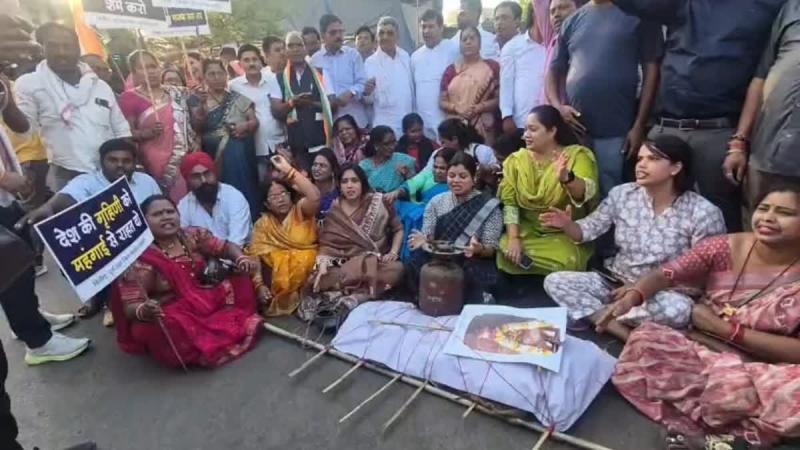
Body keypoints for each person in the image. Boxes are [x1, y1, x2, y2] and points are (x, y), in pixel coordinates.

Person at [609, 185, 800, 448]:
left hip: (771, 367)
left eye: (785, 213)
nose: (768, 218)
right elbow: (667, 273)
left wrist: (727, 330)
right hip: (706, 351)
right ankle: (734, 428)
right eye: (763, 208)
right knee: (647, 340)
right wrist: (633, 296)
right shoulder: (725, 247)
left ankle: (733, 439)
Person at [611, 0, 784, 232]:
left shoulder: (770, 6)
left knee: (722, 220)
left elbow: (767, 71)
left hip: (719, 133)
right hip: (667, 128)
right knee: (654, 215)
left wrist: (740, 141)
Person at [542, 135, 726, 334]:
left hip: (663, 293)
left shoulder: (703, 213)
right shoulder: (622, 194)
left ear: (676, 167)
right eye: (640, 159)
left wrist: (639, 288)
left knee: (678, 311)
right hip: (615, 283)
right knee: (555, 281)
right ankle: (620, 328)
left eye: (653, 159)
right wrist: (567, 225)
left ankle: (598, 317)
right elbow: (586, 230)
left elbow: (703, 275)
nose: (641, 165)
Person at [111, 195, 262, 368]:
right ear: (144, 221)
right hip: (170, 309)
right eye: (158, 214)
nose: (166, 217)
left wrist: (241, 259)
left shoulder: (192, 235)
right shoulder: (139, 257)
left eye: (170, 212)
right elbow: (131, 305)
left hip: (203, 294)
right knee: (157, 328)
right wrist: (145, 310)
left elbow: (225, 247)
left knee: (241, 279)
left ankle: (230, 323)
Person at [20, 137, 162, 320]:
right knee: (73, 262)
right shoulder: (86, 182)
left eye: (126, 161)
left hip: (142, 245)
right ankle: (101, 300)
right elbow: (65, 197)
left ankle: (125, 303)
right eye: (113, 160)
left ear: (134, 163)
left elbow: (159, 207)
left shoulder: (146, 181)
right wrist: (48, 207)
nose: (120, 165)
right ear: (102, 162)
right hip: (105, 249)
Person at [547, 0, 664, 197]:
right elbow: (553, 70)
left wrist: (639, 125)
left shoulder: (637, 14)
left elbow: (652, 71)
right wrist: (558, 107)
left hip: (617, 130)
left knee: (614, 193)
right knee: (578, 191)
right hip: (577, 130)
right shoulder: (573, 21)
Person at [15, 23, 131, 191]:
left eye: (67, 46)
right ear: (43, 49)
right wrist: (7, 103)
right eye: (53, 46)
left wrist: (127, 168)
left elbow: (121, 130)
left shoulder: (100, 86)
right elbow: (24, 130)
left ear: (77, 49)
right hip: (65, 175)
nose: (61, 52)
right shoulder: (30, 84)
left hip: (109, 172)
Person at [496, 105, 599, 275]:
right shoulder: (516, 161)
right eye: (525, 130)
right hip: (527, 232)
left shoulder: (576, 156)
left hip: (564, 233)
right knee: (504, 249)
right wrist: (514, 238)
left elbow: (586, 191)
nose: (525, 135)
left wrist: (566, 177)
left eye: (533, 129)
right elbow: (510, 204)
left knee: (567, 261)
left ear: (552, 131)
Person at [299, 164, 404, 321]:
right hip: (343, 265)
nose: (349, 186)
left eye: (354, 181)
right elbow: (327, 245)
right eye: (345, 181)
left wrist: (393, 252)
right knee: (316, 279)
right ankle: (354, 296)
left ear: (362, 183)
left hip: (374, 264)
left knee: (397, 269)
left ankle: (349, 297)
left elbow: (398, 229)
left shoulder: (379, 202)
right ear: (339, 186)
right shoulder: (334, 211)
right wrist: (323, 264)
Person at [728, 2, 800, 223]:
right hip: (767, 153)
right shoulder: (791, 8)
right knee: (759, 227)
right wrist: (739, 143)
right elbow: (760, 79)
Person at [406, 152, 503, 301]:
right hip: (439, 257)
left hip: (472, 261)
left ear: (474, 178)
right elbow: (428, 237)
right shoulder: (436, 202)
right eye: (451, 176)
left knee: (473, 274)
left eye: (462, 177)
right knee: (412, 264)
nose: (456, 181)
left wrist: (479, 249)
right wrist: (423, 241)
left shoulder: (489, 206)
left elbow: (491, 249)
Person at [119, 50, 196, 203]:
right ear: (134, 72)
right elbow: (126, 133)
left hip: (185, 153)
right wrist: (146, 133)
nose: (151, 71)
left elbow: (195, 122)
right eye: (143, 68)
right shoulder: (129, 98)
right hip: (153, 159)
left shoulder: (177, 92)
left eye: (153, 66)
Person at [248, 155, 320, 316]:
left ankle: (306, 297)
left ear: (290, 195)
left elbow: (314, 197)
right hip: (276, 283)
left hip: (310, 275)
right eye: (274, 197)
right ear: (266, 204)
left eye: (283, 194)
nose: (280, 199)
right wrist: (259, 285)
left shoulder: (300, 211)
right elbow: (255, 253)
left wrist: (290, 171)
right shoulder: (263, 224)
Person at [188, 59, 261, 217]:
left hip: (240, 155)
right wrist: (201, 106)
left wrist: (245, 126)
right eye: (211, 74)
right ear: (204, 77)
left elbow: (254, 121)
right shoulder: (197, 100)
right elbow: (197, 127)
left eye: (220, 73)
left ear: (226, 75)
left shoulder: (238, 98)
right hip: (213, 155)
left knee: (245, 186)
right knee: (222, 193)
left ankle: (252, 217)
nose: (217, 77)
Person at [271, 31, 335, 171]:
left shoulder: (321, 73)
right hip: (296, 147)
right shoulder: (279, 78)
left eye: (299, 45)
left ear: (306, 48)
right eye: (290, 46)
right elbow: (276, 111)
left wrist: (311, 103)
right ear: (285, 50)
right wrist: (292, 103)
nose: (295, 49)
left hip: (321, 142)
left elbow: (333, 105)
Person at [230, 44, 286, 184]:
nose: (251, 63)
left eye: (254, 59)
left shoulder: (274, 80)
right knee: (262, 186)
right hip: (254, 147)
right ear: (240, 64)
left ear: (261, 61)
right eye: (246, 60)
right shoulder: (234, 86)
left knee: (286, 184)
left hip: (279, 143)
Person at [387, 148, 456, 260]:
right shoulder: (428, 176)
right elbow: (411, 184)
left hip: (436, 217)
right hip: (419, 210)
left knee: (419, 215)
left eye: (442, 168)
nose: (437, 171)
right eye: (435, 167)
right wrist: (397, 192)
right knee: (398, 206)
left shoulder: (456, 185)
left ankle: (412, 257)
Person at [440, 26, 501, 147]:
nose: (468, 42)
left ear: (480, 43)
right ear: (460, 45)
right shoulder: (451, 70)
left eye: (472, 38)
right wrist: (458, 109)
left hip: (483, 126)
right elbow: (442, 101)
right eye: (464, 39)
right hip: (456, 128)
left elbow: (499, 99)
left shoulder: (492, 67)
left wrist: (479, 108)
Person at [176, 152, 252, 248]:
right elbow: (183, 240)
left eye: (207, 174)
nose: (204, 180)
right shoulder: (184, 205)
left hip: (239, 254)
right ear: (188, 181)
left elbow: (237, 242)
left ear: (215, 173)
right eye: (196, 176)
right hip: (202, 256)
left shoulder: (233, 197)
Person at [311, 14, 368, 128]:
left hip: (356, 122)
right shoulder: (315, 60)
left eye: (341, 32)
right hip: (330, 124)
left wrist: (351, 92)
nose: (338, 36)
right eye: (333, 32)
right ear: (323, 36)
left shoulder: (353, 55)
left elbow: (362, 83)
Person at [411, 9, 459, 140]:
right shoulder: (415, 57)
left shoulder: (454, 49)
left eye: (431, 26)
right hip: (423, 124)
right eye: (423, 27)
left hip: (447, 120)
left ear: (441, 27)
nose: (426, 31)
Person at [363, 16, 414, 137]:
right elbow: (367, 100)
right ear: (377, 36)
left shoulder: (405, 57)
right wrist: (367, 92)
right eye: (381, 33)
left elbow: (411, 91)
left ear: (397, 37)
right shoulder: (370, 63)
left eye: (390, 33)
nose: (385, 37)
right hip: (384, 126)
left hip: (407, 125)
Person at [499, 17, 548, 136]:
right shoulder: (513, 46)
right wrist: (507, 116)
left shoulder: (556, 44)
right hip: (520, 122)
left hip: (550, 123)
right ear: (534, 13)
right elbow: (506, 84)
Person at [539, 0, 579, 104]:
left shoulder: (585, 40)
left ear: (579, 9)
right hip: (550, 111)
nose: (556, 14)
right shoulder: (551, 40)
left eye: (563, 8)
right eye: (552, 11)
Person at [425, 119, 499, 173]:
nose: (441, 146)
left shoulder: (482, 152)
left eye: (443, 142)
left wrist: (486, 169)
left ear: (455, 140)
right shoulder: (438, 153)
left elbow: (498, 170)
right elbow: (425, 174)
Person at [358, 125, 416, 193]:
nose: (392, 147)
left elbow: (415, 186)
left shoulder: (404, 160)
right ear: (376, 145)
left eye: (393, 142)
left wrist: (407, 174)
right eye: (386, 144)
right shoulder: (364, 166)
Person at [310, 147, 340, 218]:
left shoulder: (339, 194)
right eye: (315, 164)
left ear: (332, 170)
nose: (317, 169)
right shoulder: (307, 189)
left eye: (322, 166)